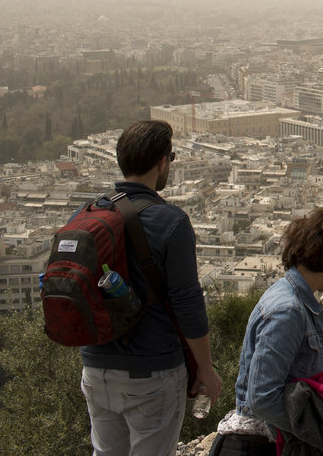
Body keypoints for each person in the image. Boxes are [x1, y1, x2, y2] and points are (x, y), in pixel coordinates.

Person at [80, 120, 222, 456]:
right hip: (151, 374)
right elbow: (187, 303)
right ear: (162, 162)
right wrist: (205, 368)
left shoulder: (89, 214)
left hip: (95, 369)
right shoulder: (171, 222)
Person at [229, 202, 323, 454]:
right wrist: (319, 429)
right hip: (266, 444)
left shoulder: (295, 300)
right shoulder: (288, 311)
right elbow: (262, 398)